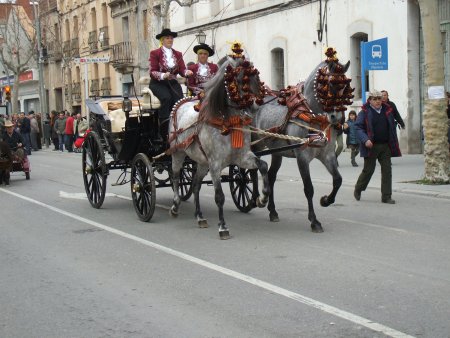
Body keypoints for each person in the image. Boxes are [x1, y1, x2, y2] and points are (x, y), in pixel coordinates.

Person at [353, 90, 401, 204]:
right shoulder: (364, 112)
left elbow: (393, 123)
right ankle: (358, 188)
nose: (378, 101)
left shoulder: (387, 110)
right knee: (368, 170)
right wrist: (365, 140)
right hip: (371, 146)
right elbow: (358, 127)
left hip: (385, 145)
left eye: (379, 98)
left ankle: (386, 196)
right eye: (374, 99)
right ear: (369, 100)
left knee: (387, 171)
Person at [149, 28, 193, 142]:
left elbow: (182, 69)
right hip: (158, 83)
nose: (170, 40)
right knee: (166, 98)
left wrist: (187, 72)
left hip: (172, 83)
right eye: (167, 38)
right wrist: (163, 75)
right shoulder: (155, 53)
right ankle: (164, 130)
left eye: (171, 38)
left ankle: (180, 127)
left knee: (180, 102)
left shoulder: (178, 54)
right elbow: (152, 71)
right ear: (162, 40)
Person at [2, 119, 25, 185]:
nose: (9, 129)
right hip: (7, 152)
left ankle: (17, 158)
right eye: (8, 127)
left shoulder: (17, 134)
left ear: (13, 127)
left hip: (16, 150)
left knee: (20, 150)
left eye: (10, 127)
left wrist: (21, 144)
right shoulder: (3, 135)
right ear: (6, 128)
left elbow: (23, 142)